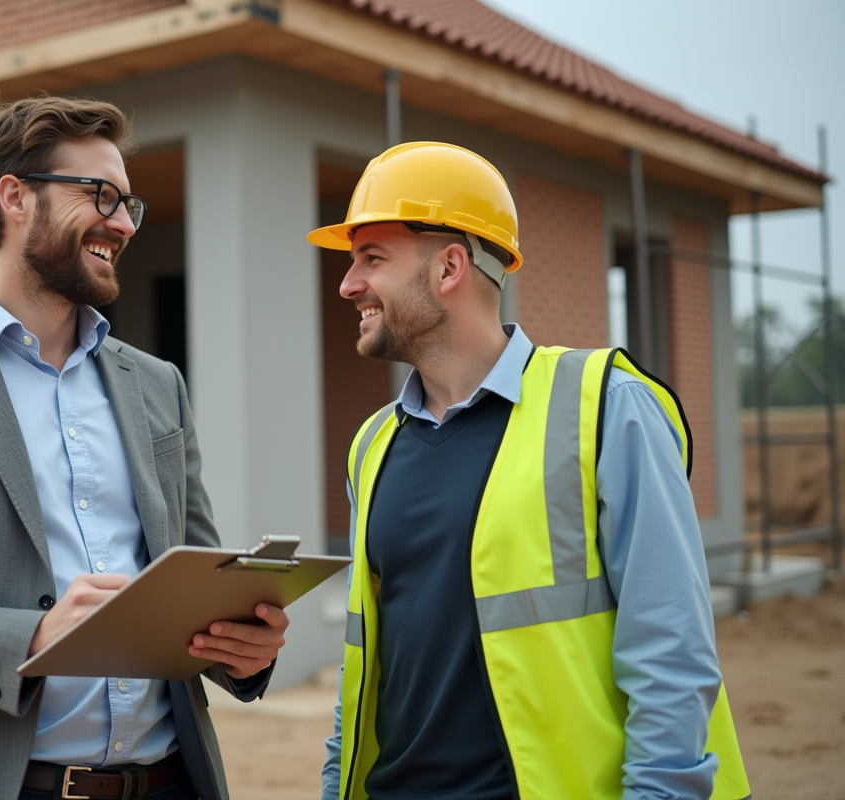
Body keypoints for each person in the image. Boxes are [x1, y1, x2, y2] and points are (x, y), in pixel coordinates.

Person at [0, 95, 288, 800]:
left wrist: (241, 651)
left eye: (130, 203)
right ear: (14, 196)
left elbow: (193, 577)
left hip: (170, 782)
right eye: (101, 195)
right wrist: (33, 636)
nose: (123, 223)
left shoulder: (158, 385)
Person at [310, 142, 750, 800]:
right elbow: (368, 669)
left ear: (450, 267)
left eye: (371, 259)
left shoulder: (605, 409)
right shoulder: (372, 445)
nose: (347, 285)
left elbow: (672, 656)